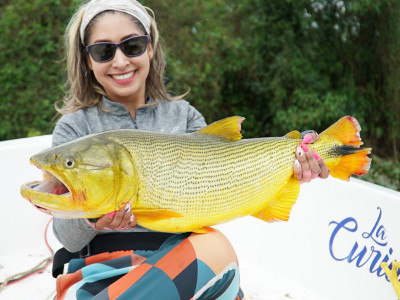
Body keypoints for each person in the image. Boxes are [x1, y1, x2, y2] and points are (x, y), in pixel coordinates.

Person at [51, 0, 329, 299]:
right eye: (104, 51)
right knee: (218, 257)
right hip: (103, 270)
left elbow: (220, 188)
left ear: (150, 48)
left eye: (132, 46)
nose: (120, 62)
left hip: (184, 265)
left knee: (216, 250)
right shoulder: (73, 130)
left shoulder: (186, 117)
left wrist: (291, 162)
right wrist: (93, 219)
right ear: (87, 60)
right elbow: (66, 236)